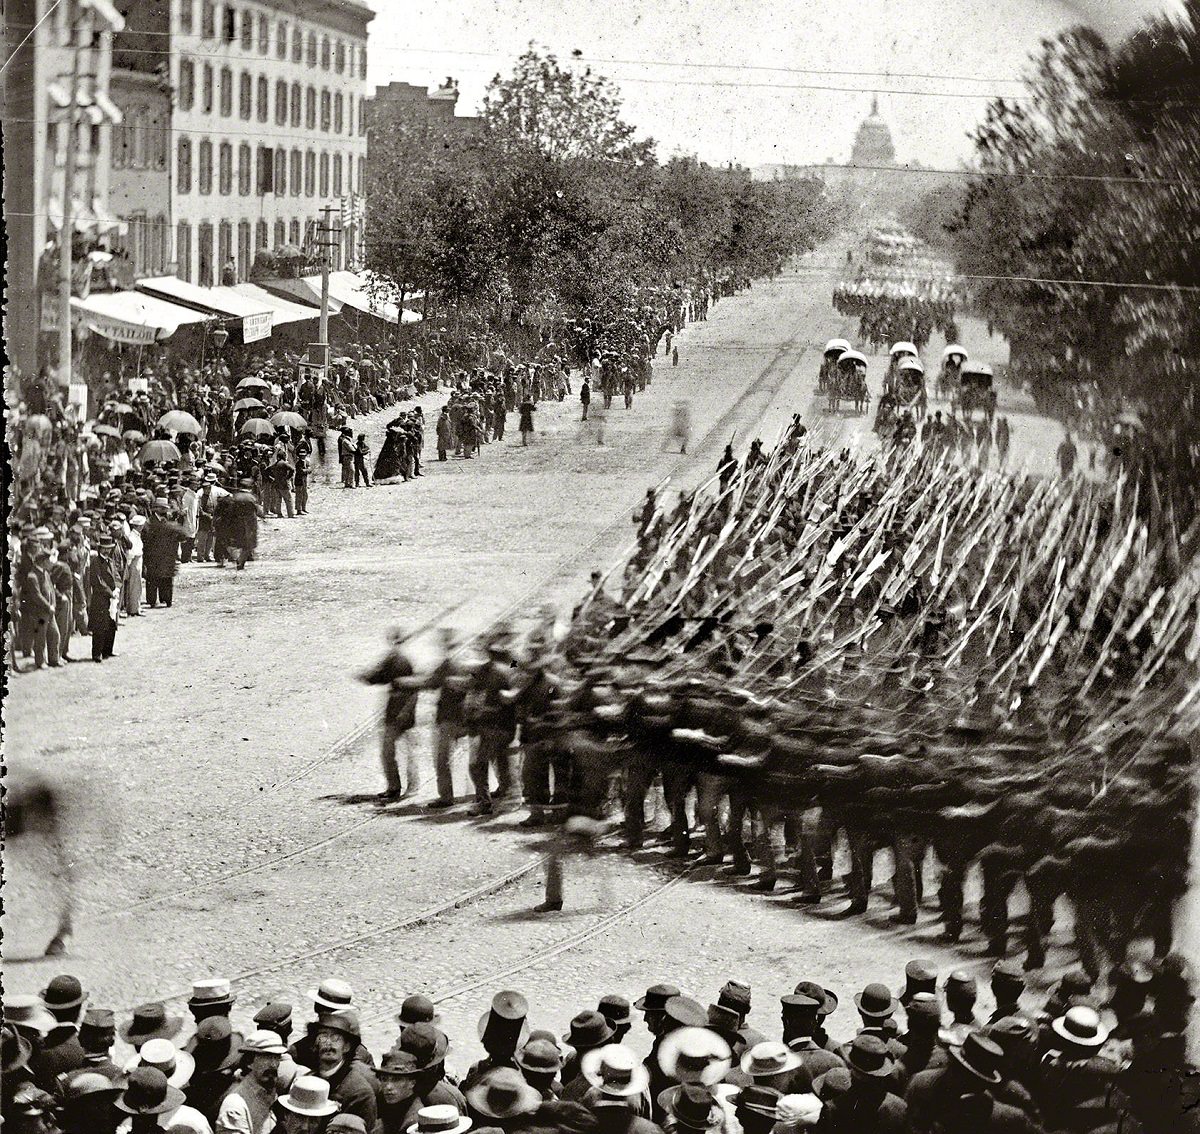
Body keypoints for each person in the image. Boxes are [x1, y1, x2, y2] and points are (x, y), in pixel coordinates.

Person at [359, 627, 421, 801]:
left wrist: (406, 712)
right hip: (396, 711)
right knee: (395, 751)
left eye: (395, 641)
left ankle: (404, 787)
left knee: (397, 751)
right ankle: (398, 786)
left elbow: (412, 689)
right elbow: (379, 677)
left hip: (401, 712)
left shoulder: (401, 660)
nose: (393, 644)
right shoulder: (393, 659)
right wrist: (367, 676)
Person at [142, 502, 189, 609]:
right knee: (165, 579)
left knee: (154, 579)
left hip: (155, 557)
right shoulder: (170, 525)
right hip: (166, 557)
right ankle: (165, 600)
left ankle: (154, 601)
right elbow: (183, 535)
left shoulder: (149, 523)